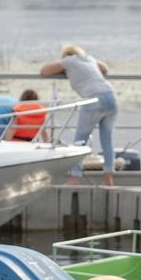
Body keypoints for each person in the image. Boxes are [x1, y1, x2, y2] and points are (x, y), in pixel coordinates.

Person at [41, 45, 118, 187]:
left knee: (79, 140)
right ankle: (108, 178)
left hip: (93, 99)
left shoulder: (70, 61)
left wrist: (65, 68)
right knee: (107, 139)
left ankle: (74, 178)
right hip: (111, 96)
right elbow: (105, 68)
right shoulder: (89, 59)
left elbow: (44, 71)